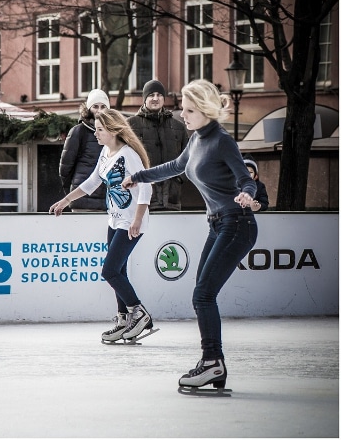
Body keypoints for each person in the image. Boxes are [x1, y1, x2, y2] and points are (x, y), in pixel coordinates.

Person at [122, 79, 258, 389]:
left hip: (237, 222)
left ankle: (212, 362)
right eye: (183, 109)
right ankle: (214, 363)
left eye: (189, 110)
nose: (183, 115)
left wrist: (247, 194)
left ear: (206, 110)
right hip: (218, 223)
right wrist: (138, 176)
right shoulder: (196, 139)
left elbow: (244, 178)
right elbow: (174, 166)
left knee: (202, 295)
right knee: (202, 292)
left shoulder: (222, 141)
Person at [50, 108, 155, 343]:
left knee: (109, 271)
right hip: (115, 219)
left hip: (130, 221)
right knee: (119, 271)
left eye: (99, 130)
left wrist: (138, 219)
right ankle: (123, 319)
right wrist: (66, 201)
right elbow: (92, 182)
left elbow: (145, 187)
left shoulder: (128, 154)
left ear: (112, 130)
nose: (95, 134)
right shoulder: (106, 152)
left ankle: (139, 314)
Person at [127, 79, 189, 211]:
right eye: (151, 95)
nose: (156, 98)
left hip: (172, 197)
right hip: (142, 199)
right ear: (144, 98)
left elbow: (188, 158)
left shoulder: (178, 126)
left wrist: (179, 179)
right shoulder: (130, 125)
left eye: (159, 95)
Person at [59, 89, 110, 212]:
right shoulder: (78, 131)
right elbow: (65, 168)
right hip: (83, 201)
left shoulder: (114, 132)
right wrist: (72, 194)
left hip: (108, 201)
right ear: (88, 108)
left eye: (103, 106)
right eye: (95, 106)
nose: (99, 110)